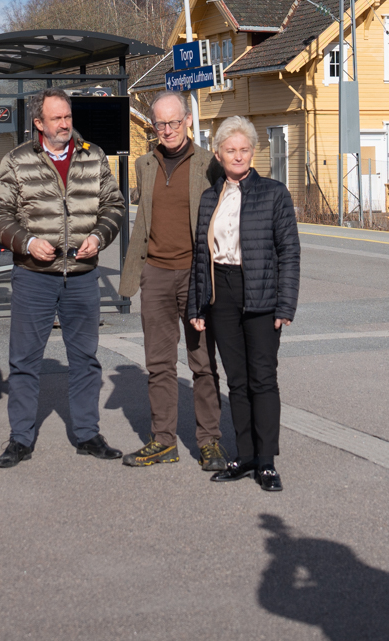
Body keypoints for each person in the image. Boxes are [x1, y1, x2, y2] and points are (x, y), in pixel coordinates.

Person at [0, 88, 125, 467]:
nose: (65, 124)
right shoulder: (17, 160)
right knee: (24, 361)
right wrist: (28, 242)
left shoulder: (93, 155)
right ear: (39, 123)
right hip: (34, 276)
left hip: (81, 276)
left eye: (67, 116)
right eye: (57, 118)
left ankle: (87, 434)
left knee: (85, 359)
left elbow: (114, 204)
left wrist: (99, 236)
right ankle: (20, 439)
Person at [188, 116, 299, 492]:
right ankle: (245, 455)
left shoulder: (274, 194)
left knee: (262, 379)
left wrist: (285, 305)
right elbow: (201, 256)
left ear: (253, 153)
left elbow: (289, 252)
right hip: (222, 294)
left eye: (244, 149)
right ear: (218, 154)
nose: (238, 156)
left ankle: (266, 461)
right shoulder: (209, 198)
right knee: (236, 381)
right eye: (230, 150)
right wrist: (197, 306)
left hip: (262, 295)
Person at [119, 90, 226, 470]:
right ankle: (163, 440)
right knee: (159, 364)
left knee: (203, 363)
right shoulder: (144, 164)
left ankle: (209, 441)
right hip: (156, 274)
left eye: (174, 122)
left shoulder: (209, 164)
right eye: (160, 124)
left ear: (188, 121)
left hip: (197, 276)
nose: (167, 130)